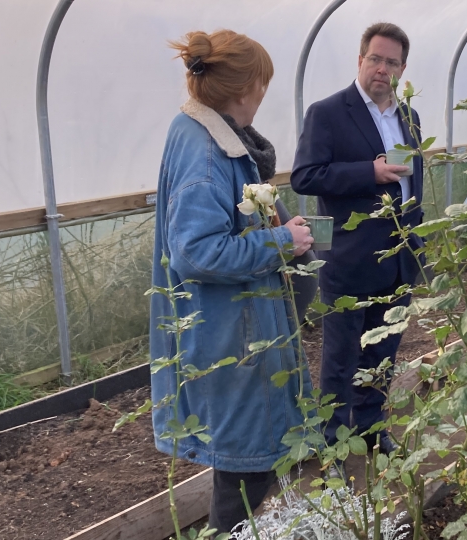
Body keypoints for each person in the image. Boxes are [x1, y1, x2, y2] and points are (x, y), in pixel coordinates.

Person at [149, 29, 314, 533]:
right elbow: (196, 252)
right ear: (248, 90)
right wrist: (282, 242)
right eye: (262, 83)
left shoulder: (206, 135)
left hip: (238, 321)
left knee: (252, 454)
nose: (264, 94)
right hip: (229, 329)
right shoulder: (205, 154)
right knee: (246, 463)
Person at [291, 22, 425, 478]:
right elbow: (305, 176)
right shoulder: (328, 113)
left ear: (402, 68)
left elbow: (413, 182)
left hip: (400, 256)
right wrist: (369, 172)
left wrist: (416, 235)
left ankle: (371, 429)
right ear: (360, 60)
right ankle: (330, 443)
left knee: (384, 351)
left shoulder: (409, 117)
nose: (382, 69)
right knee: (341, 356)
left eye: (392, 62)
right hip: (350, 258)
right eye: (375, 59)